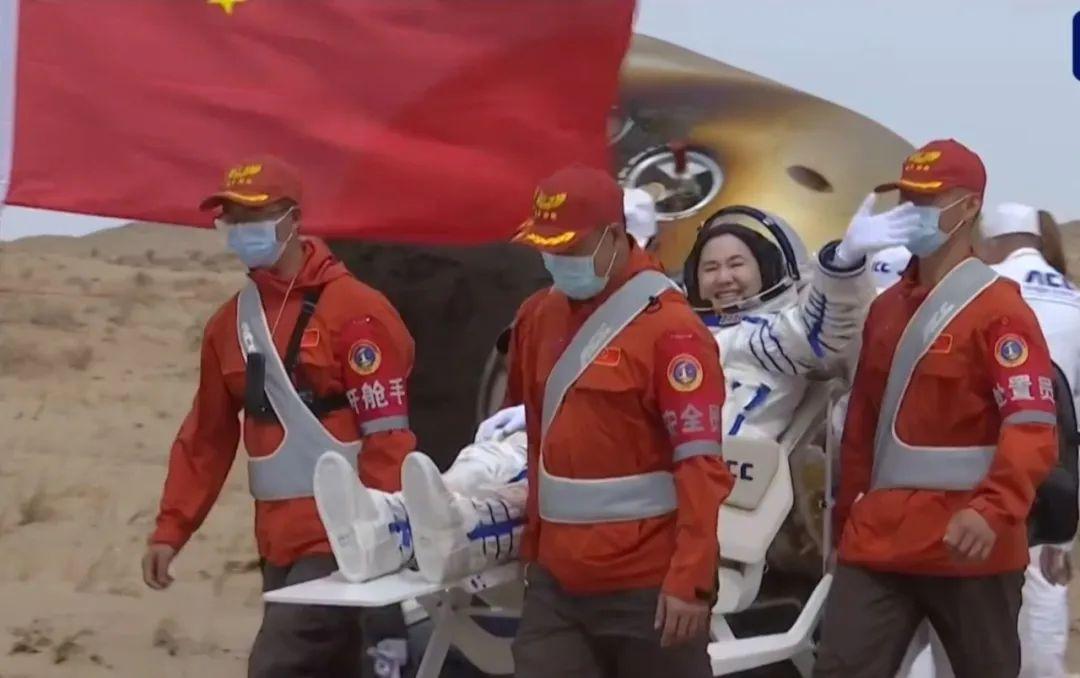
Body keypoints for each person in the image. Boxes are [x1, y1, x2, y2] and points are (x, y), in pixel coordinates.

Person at [140, 155, 419, 678]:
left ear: (293, 219)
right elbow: (206, 438)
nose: (242, 230)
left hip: (341, 539)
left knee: (277, 666)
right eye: (232, 219)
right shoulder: (227, 326)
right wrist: (171, 530)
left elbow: (388, 437)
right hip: (275, 543)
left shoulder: (357, 311)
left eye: (255, 215)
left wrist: (376, 535)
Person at [815, 139, 1060, 678]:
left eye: (928, 199)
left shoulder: (1000, 310)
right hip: (879, 541)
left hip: (971, 541)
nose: (913, 210)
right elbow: (861, 426)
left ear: (969, 207)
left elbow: (1031, 426)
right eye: (907, 197)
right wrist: (846, 523)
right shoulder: (885, 310)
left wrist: (993, 510)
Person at [510, 163, 734, 677]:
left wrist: (692, 578)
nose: (556, 260)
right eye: (546, 248)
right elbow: (537, 439)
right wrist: (534, 549)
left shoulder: (672, 331)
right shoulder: (537, 317)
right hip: (555, 583)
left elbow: (701, 466)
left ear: (613, 237)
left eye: (569, 248)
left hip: (648, 586)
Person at [975, 202, 1080, 678]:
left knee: (967, 592)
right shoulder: (1073, 297)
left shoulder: (984, 288)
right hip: (1056, 466)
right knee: (1044, 582)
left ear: (993, 242)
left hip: (983, 460)